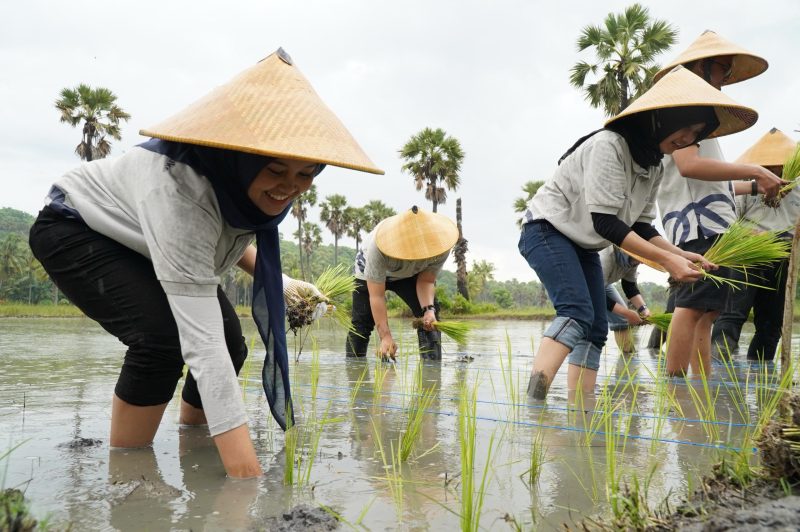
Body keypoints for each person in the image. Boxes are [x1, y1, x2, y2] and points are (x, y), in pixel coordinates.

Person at [28, 48, 383, 478]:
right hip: (77, 227)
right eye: (274, 170)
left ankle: (192, 442)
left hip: (144, 240)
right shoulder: (179, 189)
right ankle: (129, 474)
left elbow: (216, 243)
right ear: (242, 157)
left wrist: (285, 282)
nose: (289, 188)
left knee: (233, 341)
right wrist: (246, 482)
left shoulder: (239, 188)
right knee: (161, 339)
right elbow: (203, 347)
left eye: (306, 174)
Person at [520, 65, 758, 400]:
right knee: (576, 313)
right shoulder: (609, 146)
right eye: (685, 129)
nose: (688, 140)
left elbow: (642, 225)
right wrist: (666, 262)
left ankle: (581, 408)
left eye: (696, 135)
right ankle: (535, 402)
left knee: (597, 328)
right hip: (547, 230)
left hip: (583, 244)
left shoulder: (655, 163)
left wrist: (679, 254)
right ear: (661, 119)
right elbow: (607, 223)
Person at [652, 30, 785, 376]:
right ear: (700, 67)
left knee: (708, 311)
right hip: (698, 225)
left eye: (726, 72)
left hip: (713, 224)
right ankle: (678, 387)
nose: (724, 78)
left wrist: (757, 186)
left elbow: (716, 182)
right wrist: (756, 169)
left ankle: (702, 385)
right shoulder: (683, 109)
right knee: (693, 306)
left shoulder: (702, 118)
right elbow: (689, 166)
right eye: (721, 69)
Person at [712, 128, 799, 361]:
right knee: (731, 317)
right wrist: (753, 234)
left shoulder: (798, 189)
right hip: (747, 256)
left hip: (783, 259)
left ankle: (762, 383)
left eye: (779, 167)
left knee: (771, 325)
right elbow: (728, 222)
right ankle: (715, 382)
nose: (774, 173)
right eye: (769, 168)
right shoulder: (747, 187)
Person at [345, 206, 458, 361]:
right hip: (367, 273)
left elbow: (426, 280)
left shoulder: (440, 246)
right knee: (361, 324)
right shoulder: (377, 248)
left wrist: (428, 310)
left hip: (409, 275)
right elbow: (376, 296)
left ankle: (430, 370)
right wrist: (385, 336)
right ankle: (354, 368)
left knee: (431, 318)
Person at [598, 246, 652, 355]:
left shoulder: (633, 260)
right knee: (586, 321)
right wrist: (627, 313)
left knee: (622, 318)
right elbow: (597, 294)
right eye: (640, 259)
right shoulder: (605, 257)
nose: (642, 263)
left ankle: (629, 357)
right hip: (583, 283)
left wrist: (644, 310)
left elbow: (629, 286)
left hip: (602, 284)